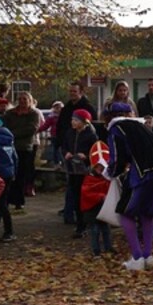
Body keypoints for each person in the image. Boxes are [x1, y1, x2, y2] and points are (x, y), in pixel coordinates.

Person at [106, 102, 153, 270]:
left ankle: (137, 257)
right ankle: (148, 255)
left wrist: (110, 173)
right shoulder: (142, 127)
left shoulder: (117, 129)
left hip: (143, 174)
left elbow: (117, 158)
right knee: (147, 213)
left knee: (125, 212)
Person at [57, 81, 97, 223]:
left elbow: (93, 145)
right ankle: (70, 215)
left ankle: (83, 217)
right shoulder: (67, 109)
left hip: (84, 163)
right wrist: (64, 149)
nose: (72, 94)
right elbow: (60, 127)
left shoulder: (88, 108)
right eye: (71, 91)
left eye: (75, 91)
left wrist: (86, 156)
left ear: (81, 92)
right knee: (71, 187)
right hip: (70, 158)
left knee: (82, 189)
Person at [2, 91, 42, 207]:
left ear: (30, 100)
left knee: (21, 174)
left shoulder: (34, 114)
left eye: (25, 99)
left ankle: (19, 201)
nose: (22, 101)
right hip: (10, 146)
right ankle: (8, 199)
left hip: (24, 147)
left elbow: (31, 129)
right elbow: (5, 126)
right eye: (20, 99)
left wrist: (12, 134)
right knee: (9, 174)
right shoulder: (10, 113)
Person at [63, 109, 98, 237]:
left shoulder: (91, 135)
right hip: (72, 169)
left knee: (83, 197)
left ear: (84, 122)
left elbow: (95, 151)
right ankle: (79, 224)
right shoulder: (70, 133)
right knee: (75, 196)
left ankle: (84, 224)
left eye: (76, 120)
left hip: (85, 170)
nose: (73, 122)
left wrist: (86, 156)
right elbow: (64, 146)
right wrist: (66, 153)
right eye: (72, 119)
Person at [81, 141, 114, 257]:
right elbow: (86, 192)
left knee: (106, 229)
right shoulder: (89, 179)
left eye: (102, 168)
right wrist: (100, 196)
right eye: (98, 168)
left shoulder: (106, 179)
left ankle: (108, 247)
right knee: (94, 230)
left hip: (103, 208)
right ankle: (96, 250)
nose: (100, 170)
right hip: (92, 209)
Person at [39, 101, 64, 167]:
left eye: (60, 108)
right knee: (55, 149)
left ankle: (63, 163)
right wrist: (39, 129)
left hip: (63, 135)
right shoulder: (51, 117)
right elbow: (46, 125)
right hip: (54, 135)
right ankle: (57, 163)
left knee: (63, 150)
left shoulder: (65, 116)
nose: (58, 109)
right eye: (56, 108)